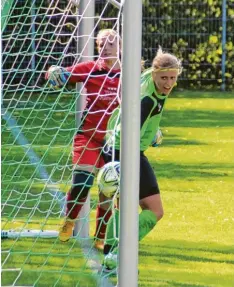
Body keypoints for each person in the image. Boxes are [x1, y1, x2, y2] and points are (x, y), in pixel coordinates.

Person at [102, 46, 182, 271]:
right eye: (164, 77)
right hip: (126, 151)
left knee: (122, 206)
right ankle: (119, 252)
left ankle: (110, 254)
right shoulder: (146, 99)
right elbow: (129, 128)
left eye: (173, 78)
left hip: (121, 148)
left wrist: (151, 132)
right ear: (154, 73)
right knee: (155, 210)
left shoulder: (150, 82)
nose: (168, 83)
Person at [45, 29, 121, 250]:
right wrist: (53, 72)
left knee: (110, 190)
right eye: (101, 44)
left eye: (110, 43)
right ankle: (69, 221)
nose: (105, 47)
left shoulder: (130, 74)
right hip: (88, 136)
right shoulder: (91, 69)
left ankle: (100, 237)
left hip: (114, 142)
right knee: (82, 183)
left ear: (120, 46)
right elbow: (61, 74)